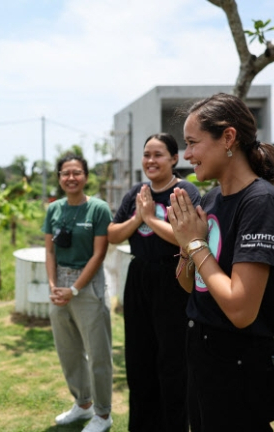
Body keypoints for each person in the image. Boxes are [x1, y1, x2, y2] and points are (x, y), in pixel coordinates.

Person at [167, 93, 274, 432]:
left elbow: (240, 308)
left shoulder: (260, 202)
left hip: (238, 364)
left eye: (193, 143)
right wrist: (185, 245)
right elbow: (189, 284)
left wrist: (194, 243)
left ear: (229, 138)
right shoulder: (212, 198)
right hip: (202, 351)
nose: (187, 155)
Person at [108, 133, 200, 432]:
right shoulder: (138, 192)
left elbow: (187, 237)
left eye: (158, 154)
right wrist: (140, 217)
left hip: (174, 278)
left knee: (173, 360)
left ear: (174, 158)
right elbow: (113, 234)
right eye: (147, 154)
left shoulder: (184, 192)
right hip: (139, 277)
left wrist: (149, 218)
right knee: (138, 358)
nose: (151, 160)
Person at [43, 154, 114, 432]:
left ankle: (103, 413)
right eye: (65, 173)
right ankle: (83, 404)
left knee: (97, 352)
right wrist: (53, 286)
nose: (70, 178)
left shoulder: (98, 209)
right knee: (68, 350)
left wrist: (74, 289)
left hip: (87, 286)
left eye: (76, 173)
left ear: (85, 176)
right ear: (59, 178)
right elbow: (49, 250)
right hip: (59, 284)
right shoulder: (54, 209)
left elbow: (99, 254)